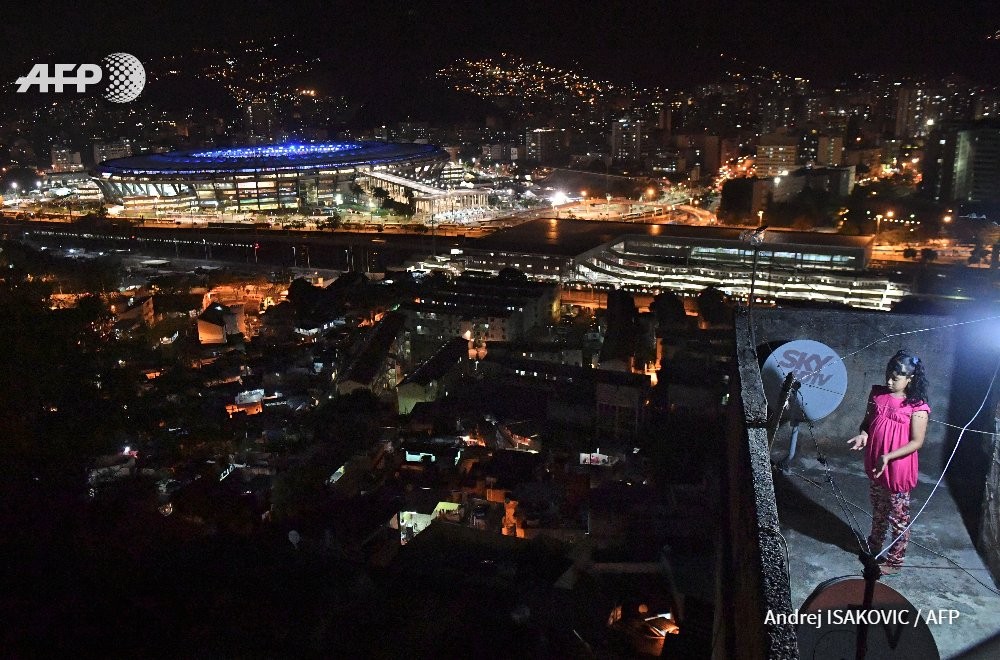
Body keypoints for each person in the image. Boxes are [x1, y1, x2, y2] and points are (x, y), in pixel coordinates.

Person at [848, 350, 930, 576]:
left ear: (910, 379)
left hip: (898, 468)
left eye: (896, 377)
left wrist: (889, 456)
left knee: (898, 516)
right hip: (877, 463)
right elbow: (866, 424)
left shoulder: (917, 406)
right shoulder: (877, 395)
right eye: (888, 375)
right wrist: (863, 435)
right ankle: (874, 545)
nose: (889, 381)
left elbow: (917, 442)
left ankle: (895, 560)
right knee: (879, 508)